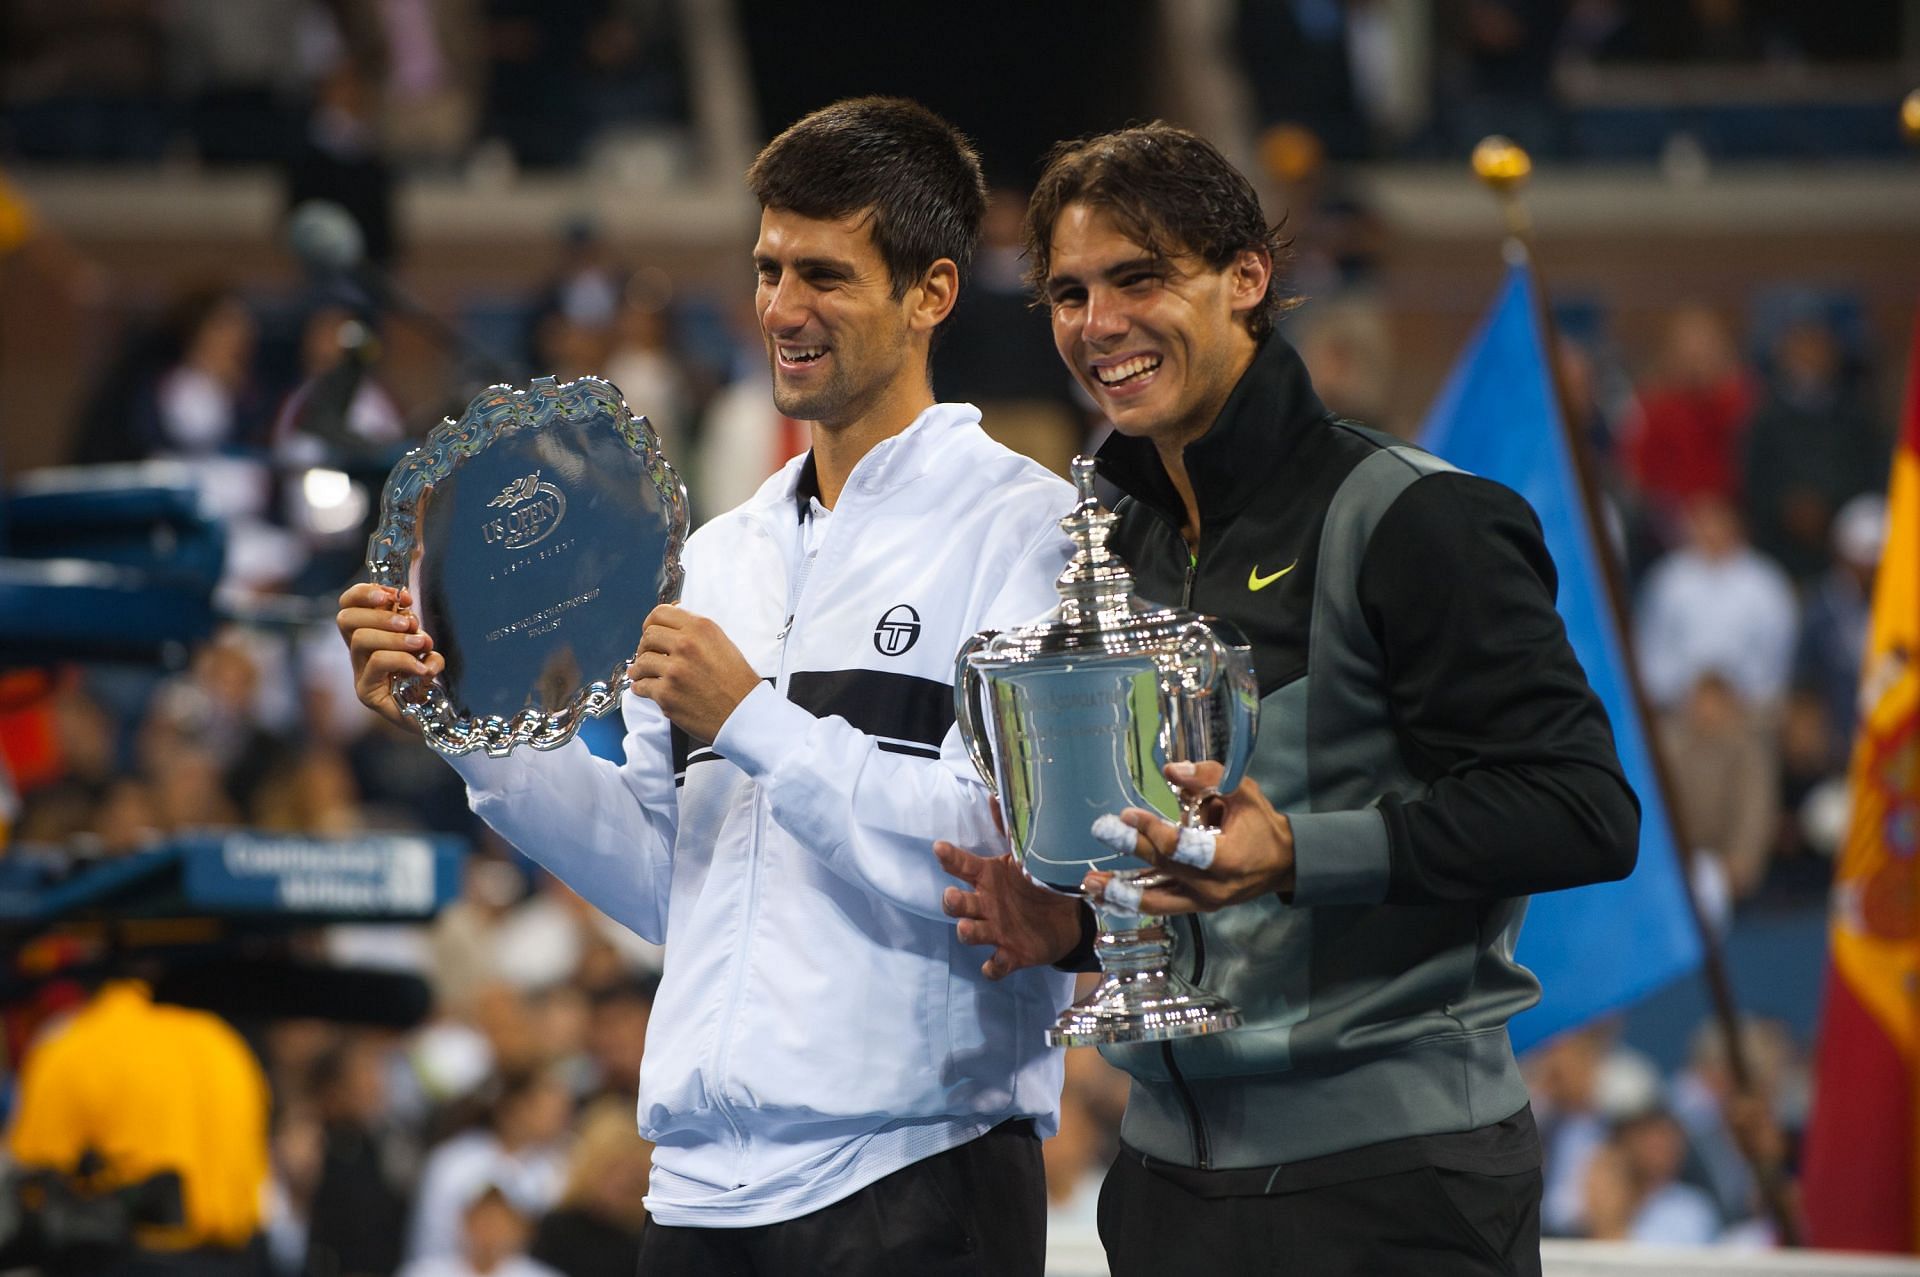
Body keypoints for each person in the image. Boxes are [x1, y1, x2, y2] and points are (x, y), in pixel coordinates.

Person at [337, 97, 1075, 1276]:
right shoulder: (716, 555)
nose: (781, 308)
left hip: (914, 1173)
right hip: (699, 1196)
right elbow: (663, 877)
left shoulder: (1028, 531)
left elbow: (999, 864)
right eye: (769, 268)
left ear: (931, 292)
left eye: (825, 275)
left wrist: (754, 720)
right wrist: (466, 723)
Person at [936, 123, 1639, 1276]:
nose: (1096, 323)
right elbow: (1192, 859)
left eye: (1138, 276)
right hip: (1165, 1183)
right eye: (1068, 291)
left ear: (1248, 277)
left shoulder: (1417, 516)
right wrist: (1079, 929)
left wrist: (1299, 852)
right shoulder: (1109, 542)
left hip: (1394, 1182)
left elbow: (1583, 809)